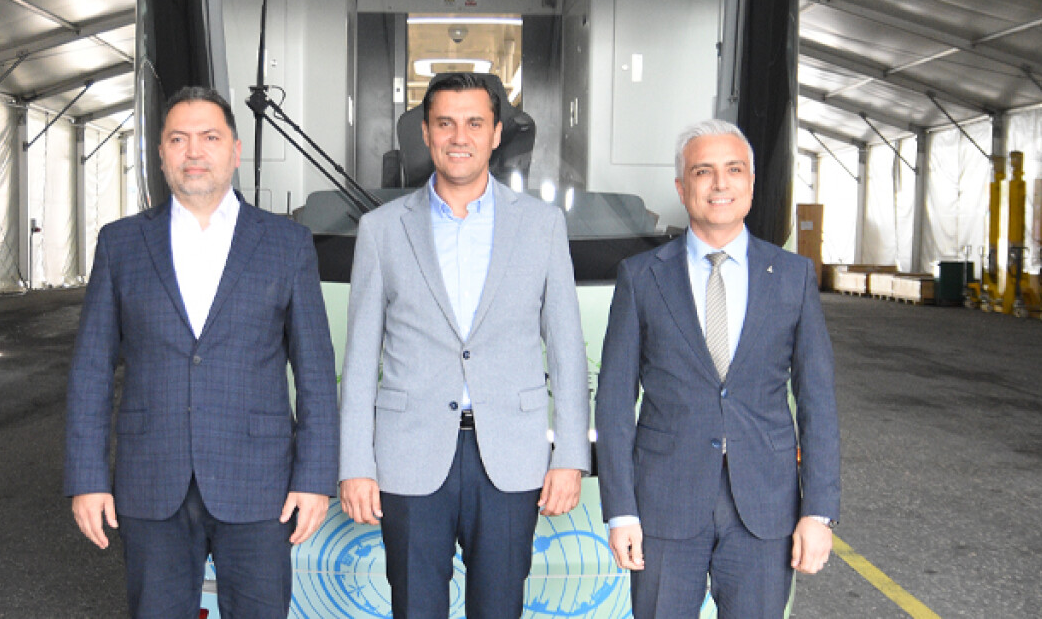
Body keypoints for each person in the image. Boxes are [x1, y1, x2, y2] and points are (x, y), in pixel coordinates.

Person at [64, 86, 339, 618]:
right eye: (178, 139)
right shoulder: (121, 244)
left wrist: (314, 477)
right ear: (160, 154)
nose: (194, 152)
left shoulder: (287, 243)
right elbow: (92, 369)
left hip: (259, 482)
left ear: (235, 150)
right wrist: (87, 478)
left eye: (209, 138)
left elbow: (315, 371)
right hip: (151, 479)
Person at [338, 73, 590, 618]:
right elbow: (359, 361)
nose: (460, 137)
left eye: (475, 123)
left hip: (511, 456)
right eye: (445, 123)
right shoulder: (381, 229)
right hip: (408, 456)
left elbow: (567, 350)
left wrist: (570, 455)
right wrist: (355, 462)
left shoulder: (543, 226)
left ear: (496, 134)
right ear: (425, 134)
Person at [595, 119, 841, 618]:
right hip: (665, 505)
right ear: (681, 188)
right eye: (703, 171)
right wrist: (620, 510)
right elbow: (615, 401)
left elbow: (817, 400)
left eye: (734, 169)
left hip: (765, 508)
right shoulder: (641, 277)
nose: (720, 183)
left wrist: (818, 511)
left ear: (751, 183)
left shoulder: (792, 276)